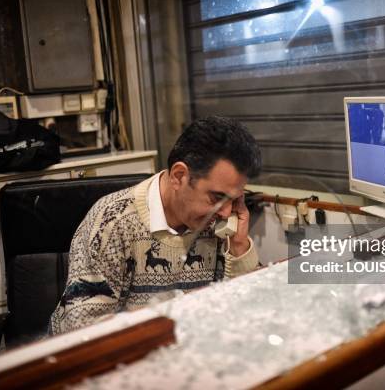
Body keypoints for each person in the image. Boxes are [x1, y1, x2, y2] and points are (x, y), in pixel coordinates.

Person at [49, 116, 262, 334]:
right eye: (217, 197)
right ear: (179, 176)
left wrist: (239, 247)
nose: (226, 212)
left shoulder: (220, 223)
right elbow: (82, 329)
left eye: (233, 199)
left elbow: (250, 306)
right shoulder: (111, 222)